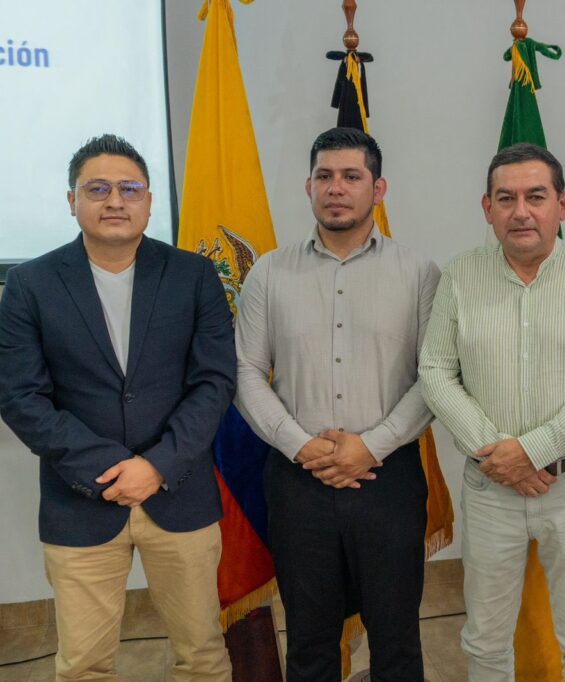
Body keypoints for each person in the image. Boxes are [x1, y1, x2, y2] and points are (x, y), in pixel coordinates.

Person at [0, 134, 235, 680]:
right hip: (80, 499)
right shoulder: (30, 284)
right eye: (97, 188)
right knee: (84, 665)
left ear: (148, 201)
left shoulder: (193, 276)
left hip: (179, 493)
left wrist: (156, 466)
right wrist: (109, 469)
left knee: (202, 656)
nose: (114, 201)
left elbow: (215, 381)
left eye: (129, 189)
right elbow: (20, 395)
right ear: (72, 200)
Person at [419, 143, 565, 681]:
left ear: (563, 203)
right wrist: (501, 457)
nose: (521, 212)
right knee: (485, 641)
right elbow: (436, 372)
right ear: (487, 208)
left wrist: (531, 451)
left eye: (536, 197)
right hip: (490, 488)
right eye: (506, 198)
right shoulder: (460, 275)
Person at [234, 127, 438, 681]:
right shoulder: (269, 272)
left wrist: (371, 446)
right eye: (324, 176)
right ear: (309, 187)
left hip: (388, 477)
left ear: (378, 189)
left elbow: (435, 377)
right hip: (298, 480)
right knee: (309, 641)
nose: (336, 188)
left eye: (352, 176)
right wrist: (302, 447)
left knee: (396, 640)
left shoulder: (420, 274)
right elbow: (245, 372)